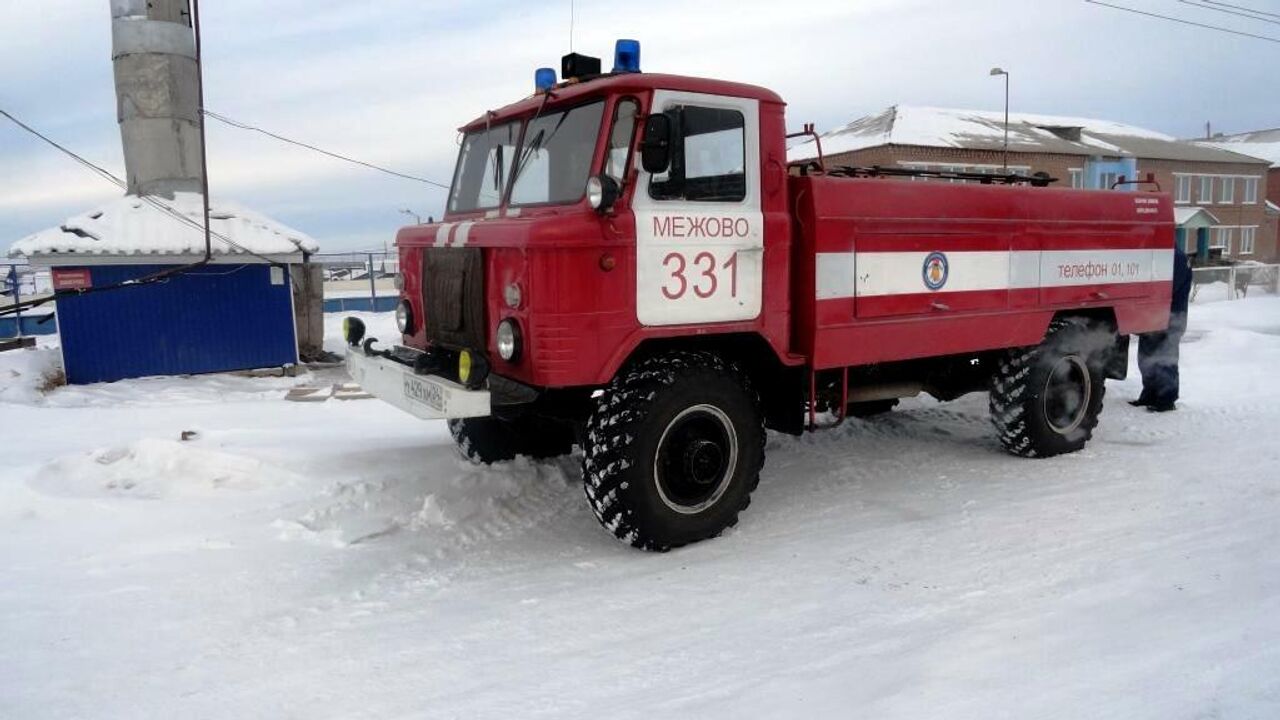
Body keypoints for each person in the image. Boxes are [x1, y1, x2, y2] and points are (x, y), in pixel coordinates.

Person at [1131, 244, 1193, 412]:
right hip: (1154, 318)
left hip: (1171, 319)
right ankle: (1149, 395)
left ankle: (1166, 399)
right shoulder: (1164, 254)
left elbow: (1165, 290)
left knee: (1166, 360)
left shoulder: (1176, 258)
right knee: (1147, 358)